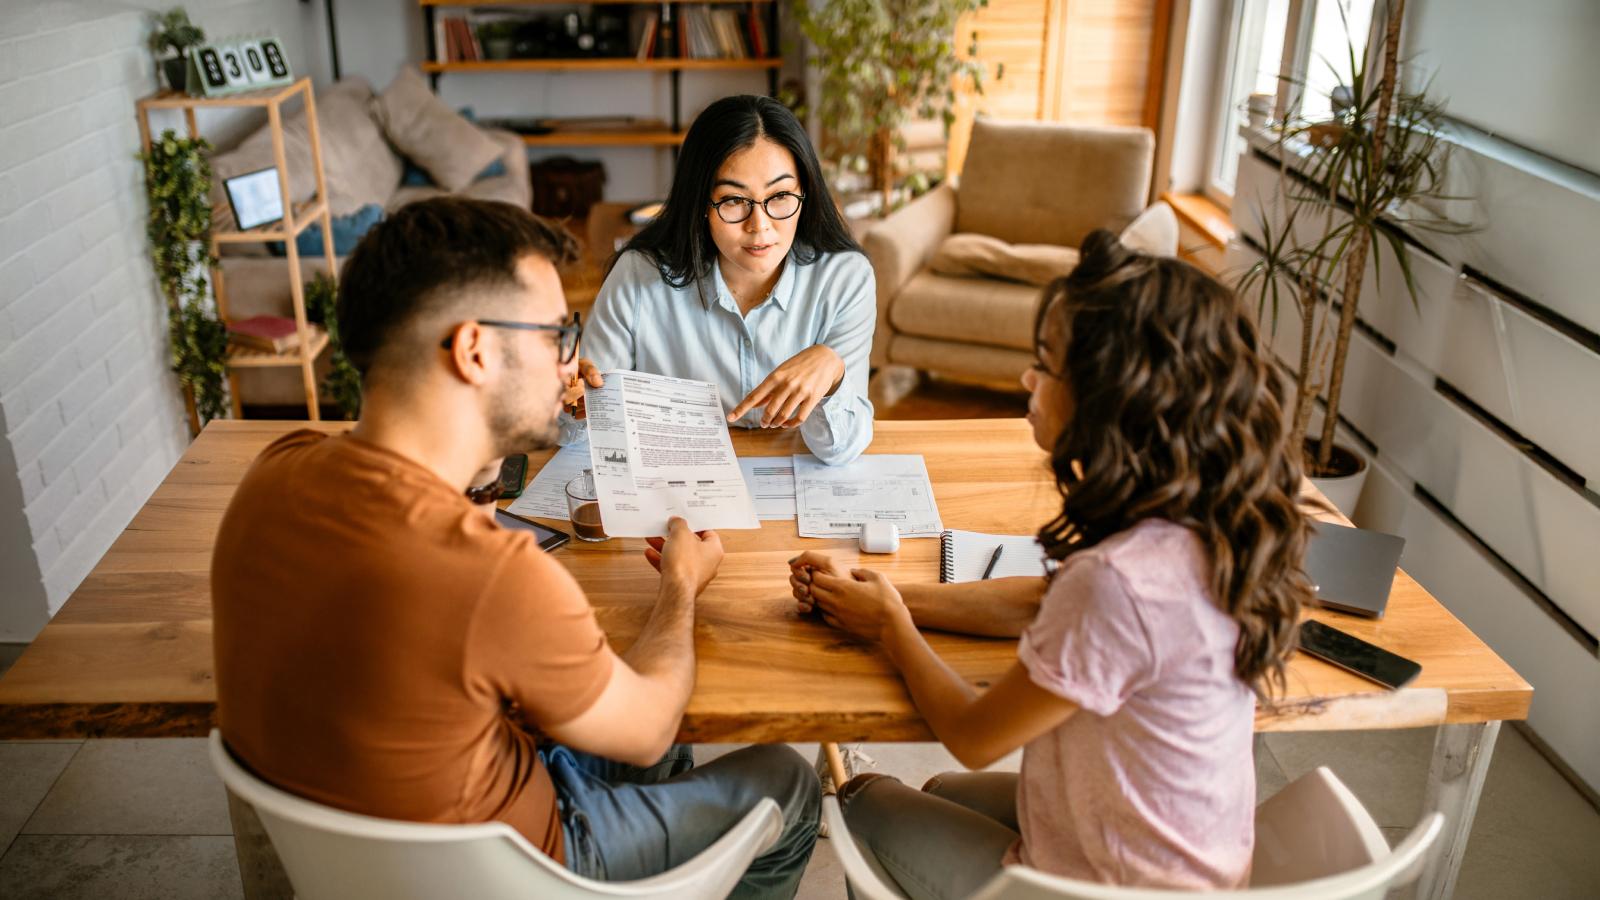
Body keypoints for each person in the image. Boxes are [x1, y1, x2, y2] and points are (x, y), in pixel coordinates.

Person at [211, 197, 819, 899]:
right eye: (557, 335)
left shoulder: (272, 474)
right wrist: (681, 584)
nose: (571, 362)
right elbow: (650, 728)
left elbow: (434, 517)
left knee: (623, 726)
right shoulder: (497, 578)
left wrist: (505, 426)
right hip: (527, 867)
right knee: (787, 783)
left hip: (372, 856)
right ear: (474, 350)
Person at [788, 230, 1314, 895]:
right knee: (944, 792)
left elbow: (975, 736)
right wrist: (887, 593)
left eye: (1046, 362)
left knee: (861, 798)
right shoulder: (1199, 521)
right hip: (1186, 861)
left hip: (1115, 888)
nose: (1026, 379)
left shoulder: (1118, 584)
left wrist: (891, 626)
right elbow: (1039, 602)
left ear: (1111, 396)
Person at [563, 94, 875, 465]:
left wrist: (833, 375)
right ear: (700, 206)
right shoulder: (637, 276)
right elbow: (580, 431)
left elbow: (839, 450)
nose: (760, 227)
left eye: (780, 196)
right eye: (733, 201)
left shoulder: (845, 278)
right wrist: (567, 399)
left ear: (804, 193)